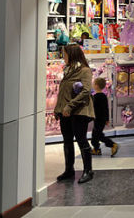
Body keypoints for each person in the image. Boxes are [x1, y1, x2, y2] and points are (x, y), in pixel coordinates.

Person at [54, 44, 96, 184]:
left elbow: (85, 91)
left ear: (71, 54)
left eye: (65, 54)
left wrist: (70, 106)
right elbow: (63, 92)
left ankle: (88, 170)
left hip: (79, 111)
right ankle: (69, 169)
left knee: (81, 139)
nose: (63, 57)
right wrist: (58, 109)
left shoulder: (84, 70)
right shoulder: (68, 70)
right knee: (67, 141)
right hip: (65, 113)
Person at [91, 77, 119, 157]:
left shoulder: (96, 97)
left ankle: (112, 144)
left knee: (98, 135)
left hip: (98, 119)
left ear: (96, 86)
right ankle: (96, 149)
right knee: (95, 135)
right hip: (101, 119)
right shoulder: (103, 96)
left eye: (93, 83)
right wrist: (107, 119)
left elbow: (95, 109)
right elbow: (106, 108)